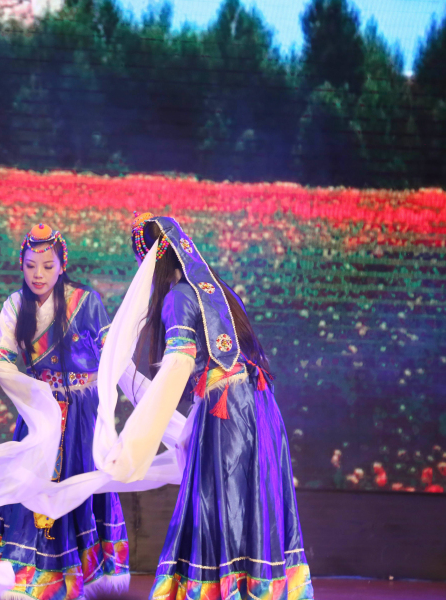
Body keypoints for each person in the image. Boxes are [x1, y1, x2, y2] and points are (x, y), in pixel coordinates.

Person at [125, 214, 315, 600]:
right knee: (256, 497)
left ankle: (222, 590)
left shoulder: (178, 297)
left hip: (225, 411)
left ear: (151, 264)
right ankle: (259, 588)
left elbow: (178, 365)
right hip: (259, 405)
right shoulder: (218, 289)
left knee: (221, 499)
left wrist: (139, 432)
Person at [0, 224, 130, 600]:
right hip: (40, 412)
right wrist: (32, 394)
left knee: (79, 483)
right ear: (22, 265)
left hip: (82, 412)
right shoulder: (16, 305)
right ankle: (30, 572)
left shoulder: (86, 302)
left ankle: (84, 573)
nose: (38, 275)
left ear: (62, 266)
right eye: (31, 266)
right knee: (33, 486)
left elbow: (114, 357)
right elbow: (1, 358)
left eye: (47, 266)